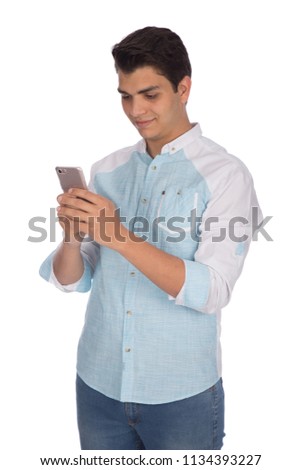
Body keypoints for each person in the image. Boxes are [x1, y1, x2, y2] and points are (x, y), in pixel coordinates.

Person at [40, 26, 262, 450]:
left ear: (184, 88)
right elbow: (72, 279)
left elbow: (213, 290)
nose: (136, 109)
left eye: (150, 94)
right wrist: (72, 237)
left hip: (182, 396)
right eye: (125, 95)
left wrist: (117, 236)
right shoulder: (107, 170)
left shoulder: (225, 175)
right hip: (97, 386)